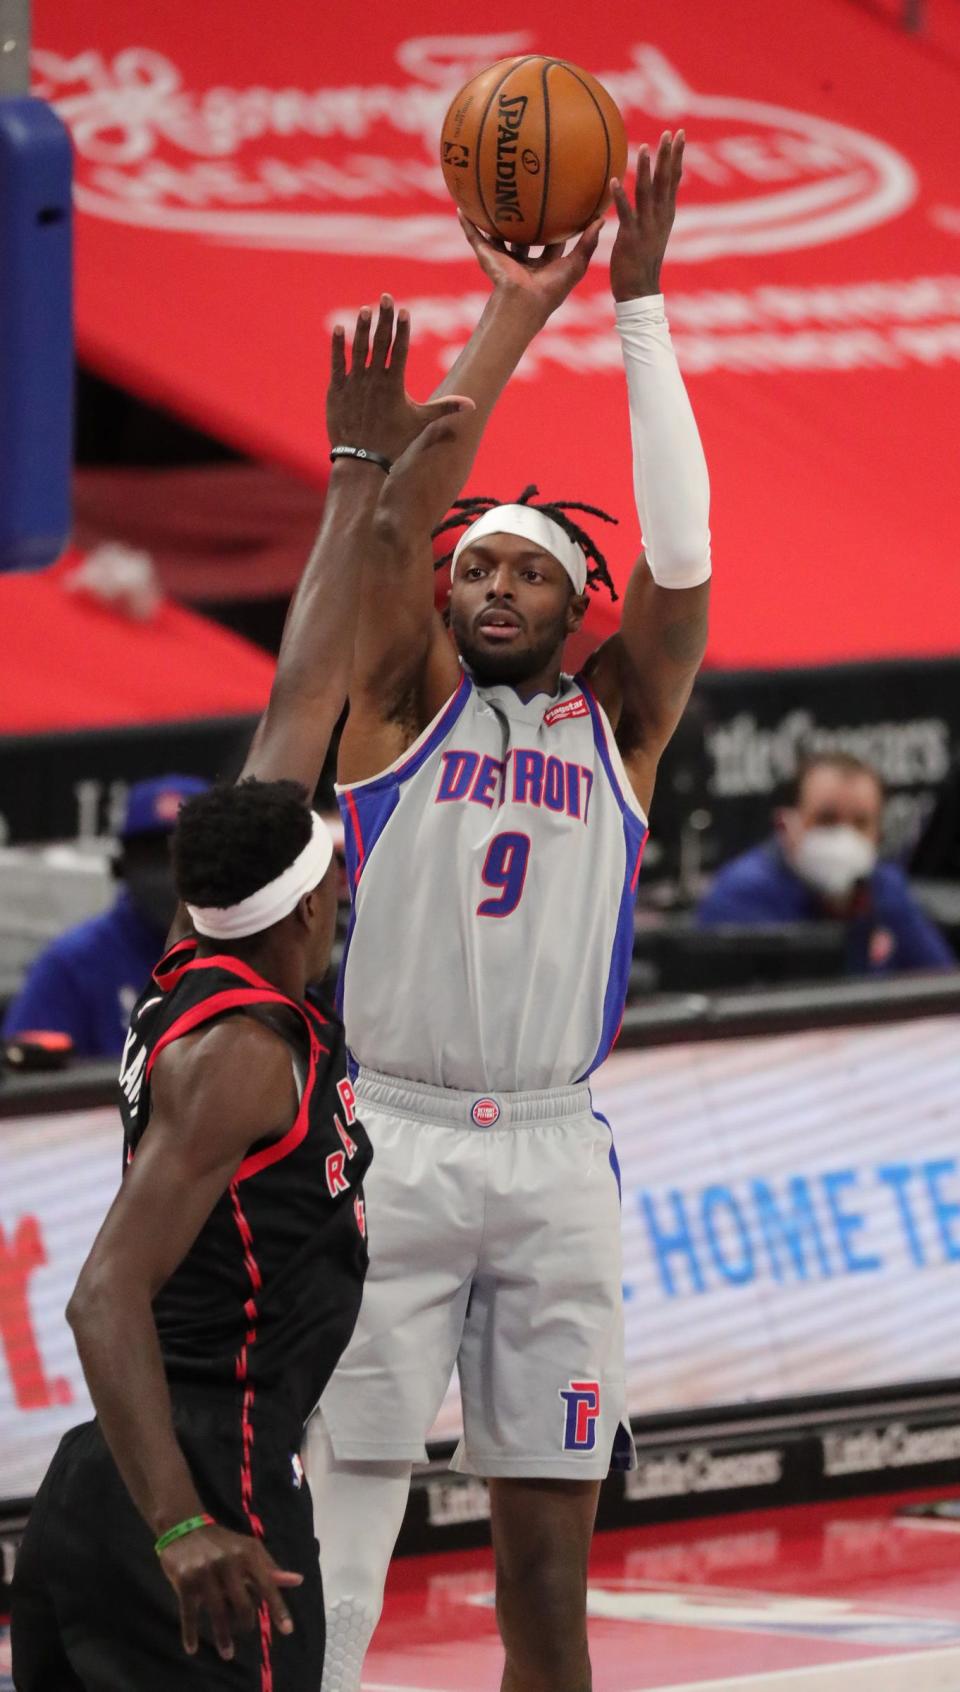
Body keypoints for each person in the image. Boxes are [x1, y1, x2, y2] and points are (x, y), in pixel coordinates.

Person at [11, 305, 473, 1692]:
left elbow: (303, 687)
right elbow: (103, 1296)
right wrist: (185, 1526)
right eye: (338, 886)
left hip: (107, 1480)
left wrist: (351, 468)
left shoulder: (196, 946)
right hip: (199, 1481)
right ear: (314, 911)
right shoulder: (245, 1056)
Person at [306, 134, 711, 1692]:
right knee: (344, 1544)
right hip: (392, 1144)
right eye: (471, 567)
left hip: (553, 1155)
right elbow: (387, 531)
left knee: (549, 1571)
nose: (486, 587)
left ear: (570, 610)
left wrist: (642, 312)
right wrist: (512, 319)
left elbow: (682, 563)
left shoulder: (622, 726)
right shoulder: (395, 708)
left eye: (522, 575)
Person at [2, 774, 208, 1058]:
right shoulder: (71, 965)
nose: (170, 875)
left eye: (187, 856)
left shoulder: (257, 950)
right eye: (154, 857)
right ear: (120, 866)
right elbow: (24, 1085)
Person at [697, 751, 956, 974]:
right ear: (786, 825)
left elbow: (940, 986)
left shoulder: (886, 887)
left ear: (878, 835)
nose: (844, 836)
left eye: (861, 823)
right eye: (826, 819)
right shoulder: (740, 896)